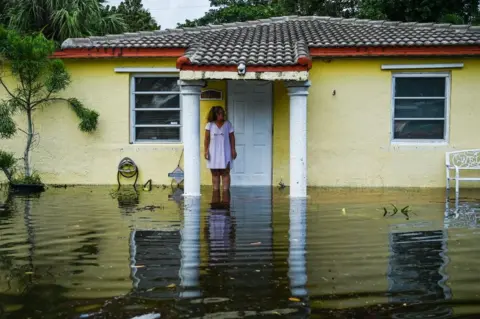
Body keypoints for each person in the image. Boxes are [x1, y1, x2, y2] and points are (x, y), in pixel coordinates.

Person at [204, 106, 237, 191]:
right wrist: (206, 150)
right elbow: (206, 139)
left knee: (225, 173)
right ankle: (216, 194)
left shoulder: (228, 124)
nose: (222, 114)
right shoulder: (209, 125)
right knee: (215, 174)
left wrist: (233, 149)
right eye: (220, 113)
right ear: (215, 114)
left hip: (226, 152)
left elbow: (232, 137)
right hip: (213, 152)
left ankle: (226, 195)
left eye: (223, 113)